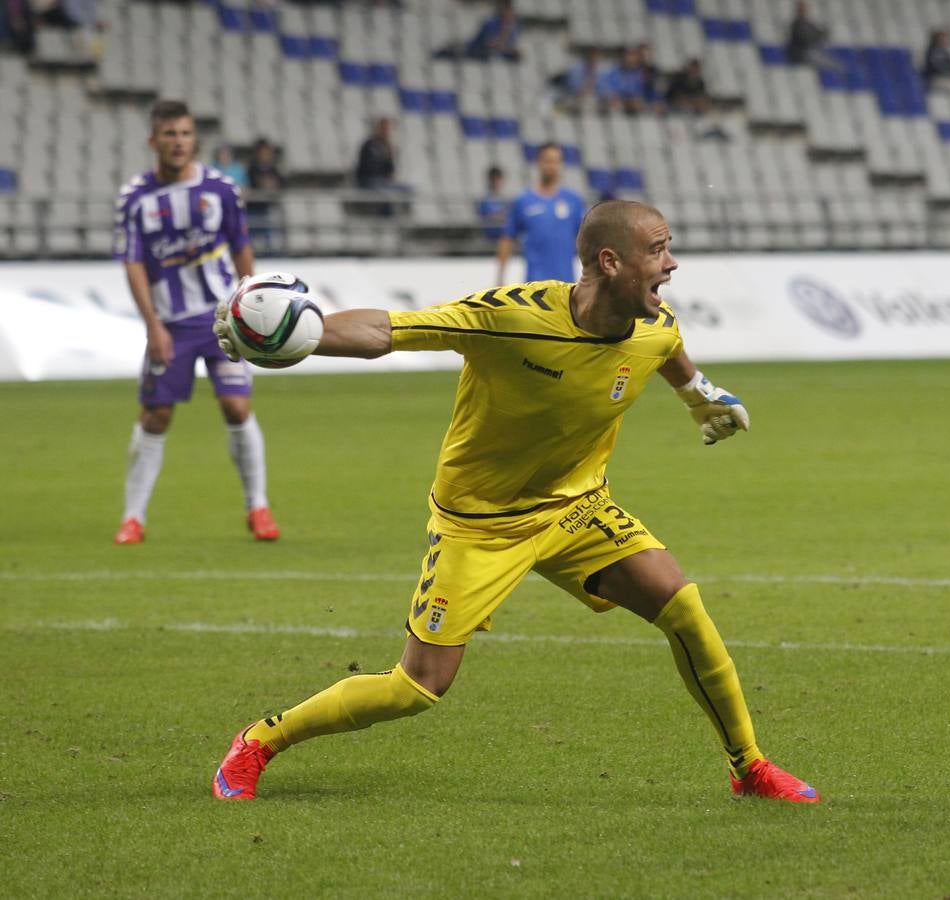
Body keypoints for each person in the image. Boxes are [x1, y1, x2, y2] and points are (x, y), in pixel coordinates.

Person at [210, 199, 820, 804]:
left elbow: (670, 354)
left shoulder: (655, 325)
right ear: (610, 262)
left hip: (576, 509)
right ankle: (259, 740)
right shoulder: (512, 317)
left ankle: (749, 767)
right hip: (479, 525)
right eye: (658, 250)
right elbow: (388, 331)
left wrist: (701, 398)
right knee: (416, 687)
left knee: (683, 607)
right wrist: (301, 334)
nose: (672, 263)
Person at [111, 99, 279, 545]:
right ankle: (133, 517)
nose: (178, 142)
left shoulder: (221, 190)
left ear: (194, 139)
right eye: (169, 134)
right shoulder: (134, 198)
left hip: (220, 320)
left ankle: (258, 507)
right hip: (170, 323)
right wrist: (153, 325)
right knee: (156, 416)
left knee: (236, 407)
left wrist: (249, 304)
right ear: (153, 141)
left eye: (185, 133)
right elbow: (133, 264)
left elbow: (241, 246)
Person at [496, 142, 586, 284]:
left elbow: (587, 240)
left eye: (556, 161)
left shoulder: (573, 201)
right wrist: (500, 278)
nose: (551, 165)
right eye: (547, 160)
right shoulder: (523, 201)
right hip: (534, 286)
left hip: (566, 285)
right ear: (538, 162)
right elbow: (507, 239)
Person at [920, 29, 950, 93]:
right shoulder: (934, 51)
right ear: (936, 40)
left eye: (945, 38)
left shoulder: (943, 51)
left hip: (946, 77)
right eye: (942, 39)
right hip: (935, 79)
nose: (945, 41)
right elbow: (938, 68)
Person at [355, 117, 397, 191]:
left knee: (407, 190)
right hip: (368, 180)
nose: (385, 131)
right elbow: (367, 167)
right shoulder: (369, 145)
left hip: (382, 181)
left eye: (387, 129)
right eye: (383, 128)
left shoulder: (387, 146)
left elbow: (390, 169)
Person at [785, 0, 828, 66]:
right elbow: (804, 38)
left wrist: (822, 33)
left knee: (829, 61)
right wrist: (815, 36)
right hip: (799, 55)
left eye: (805, 8)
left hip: (809, 52)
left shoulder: (808, 23)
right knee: (823, 62)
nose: (804, 10)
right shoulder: (796, 24)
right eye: (802, 8)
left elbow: (818, 33)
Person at [476, 165, 509, 241]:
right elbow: (488, 217)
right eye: (494, 179)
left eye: (498, 179)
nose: (496, 182)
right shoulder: (484, 199)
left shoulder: (505, 199)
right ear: (490, 180)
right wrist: (501, 216)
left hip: (505, 238)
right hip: (490, 239)